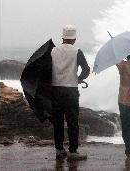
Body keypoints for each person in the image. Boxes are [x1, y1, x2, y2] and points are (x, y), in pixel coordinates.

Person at [51, 25, 90, 160]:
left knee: (58, 121)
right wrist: (79, 79)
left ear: (62, 37)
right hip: (71, 91)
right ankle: (73, 151)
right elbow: (86, 69)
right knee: (72, 121)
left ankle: (59, 150)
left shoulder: (53, 51)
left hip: (55, 90)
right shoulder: (77, 51)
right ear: (74, 39)